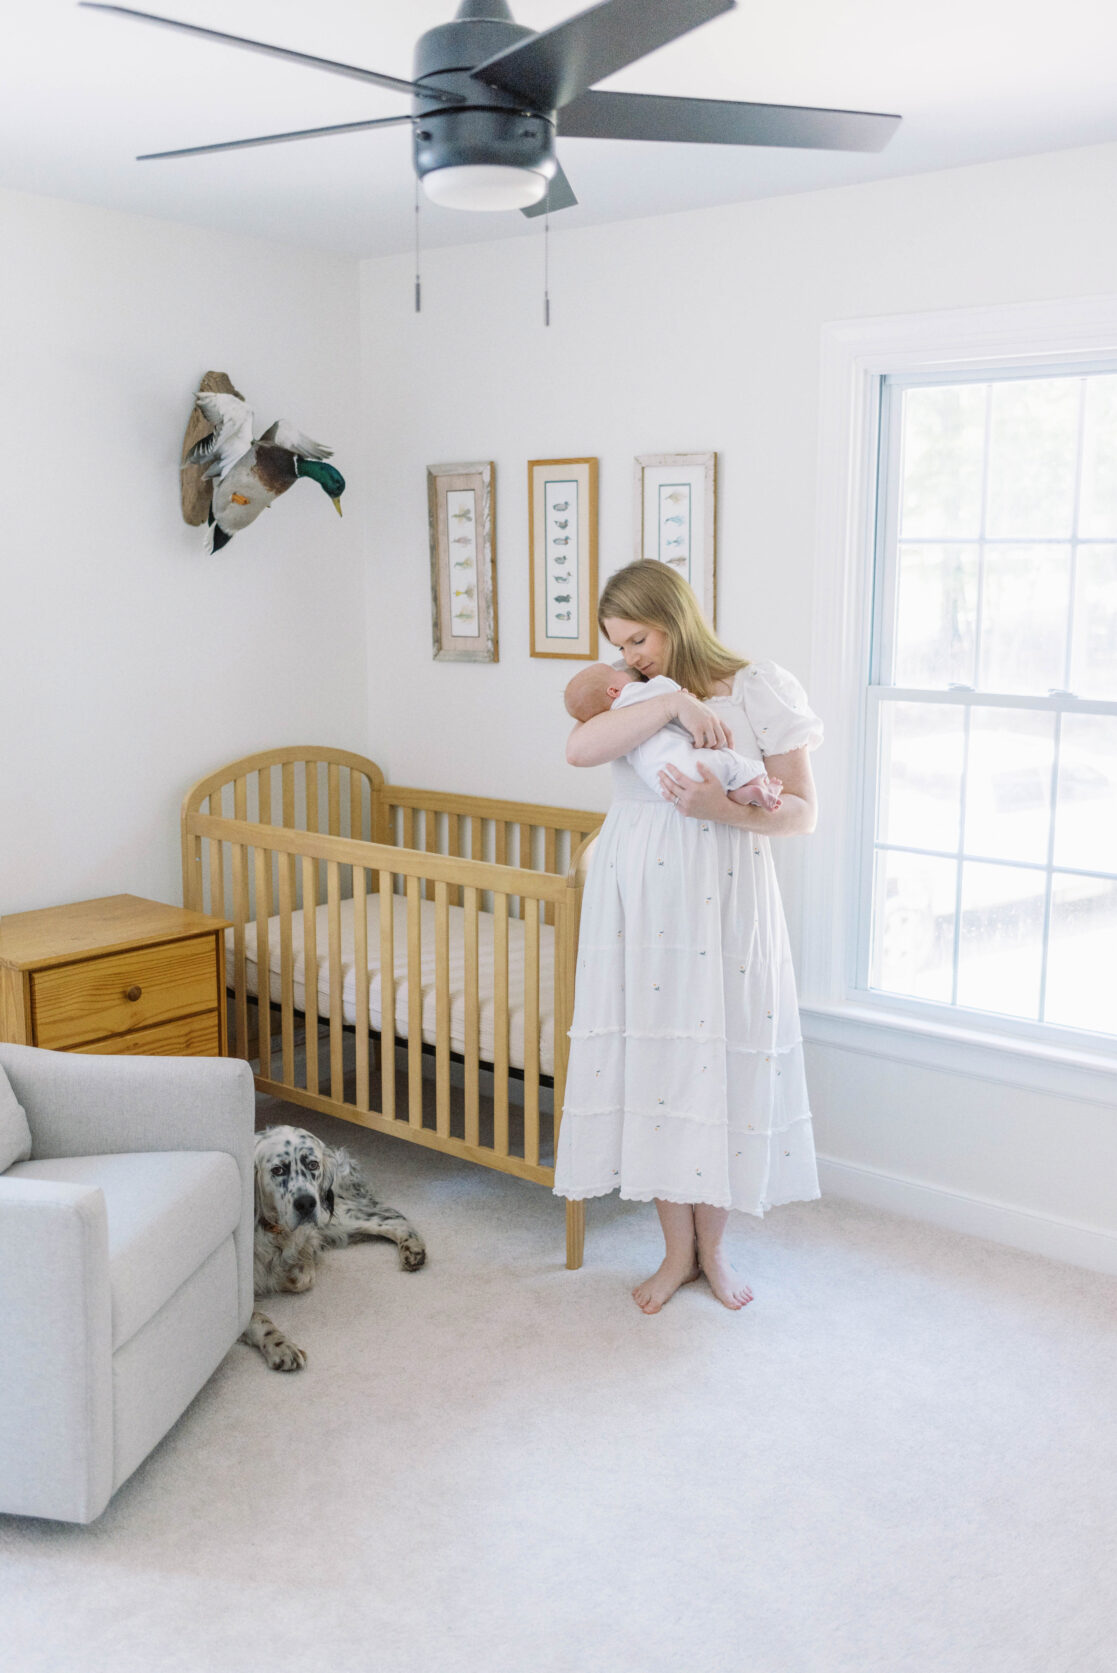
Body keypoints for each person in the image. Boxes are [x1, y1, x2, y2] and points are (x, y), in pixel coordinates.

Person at [554, 560, 823, 1315]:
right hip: (641, 898)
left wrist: (722, 808)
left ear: (674, 616)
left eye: (638, 637)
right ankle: (676, 1250)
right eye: (617, 642)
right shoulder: (629, 694)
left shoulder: (756, 686)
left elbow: (802, 811)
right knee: (661, 1059)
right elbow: (579, 751)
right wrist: (666, 695)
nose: (629, 654)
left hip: (727, 893)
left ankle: (715, 1248)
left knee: (723, 1056)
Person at [563, 661, 784, 811]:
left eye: (638, 640)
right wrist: (679, 700)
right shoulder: (634, 692)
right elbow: (575, 753)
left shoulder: (618, 715)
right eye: (621, 646)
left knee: (727, 785)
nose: (628, 658)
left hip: (669, 782)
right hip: (694, 765)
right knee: (732, 764)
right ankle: (757, 786)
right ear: (613, 691)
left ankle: (749, 794)